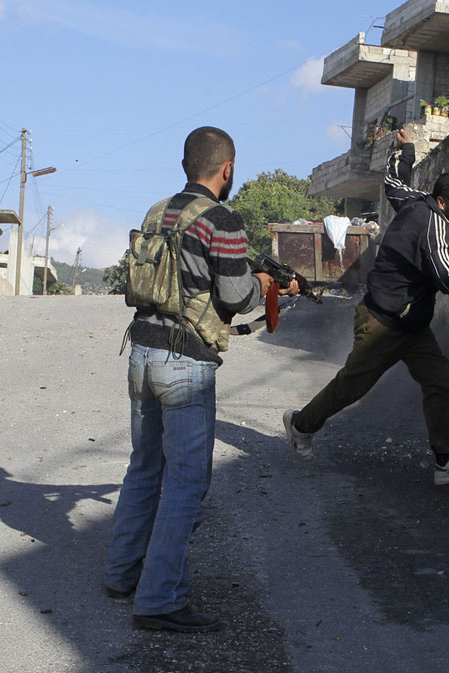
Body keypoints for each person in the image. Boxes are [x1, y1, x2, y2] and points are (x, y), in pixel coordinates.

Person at [105, 126, 296, 633]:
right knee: (187, 483)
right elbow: (235, 298)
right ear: (226, 168)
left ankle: (122, 574)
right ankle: (160, 598)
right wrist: (266, 284)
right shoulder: (222, 218)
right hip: (185, 362)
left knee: (144, 469)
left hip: (141, 350)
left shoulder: (156, 212)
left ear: (186, 164)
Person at [284, 128, 449, 485]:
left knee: (440, 378)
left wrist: (406, 149)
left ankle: (447, 463)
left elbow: (394, 181)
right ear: (442, 203)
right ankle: (301, 424)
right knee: (352, 386)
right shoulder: (434, 230)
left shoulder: (417, 201)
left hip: (412, 324)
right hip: (383, 323)